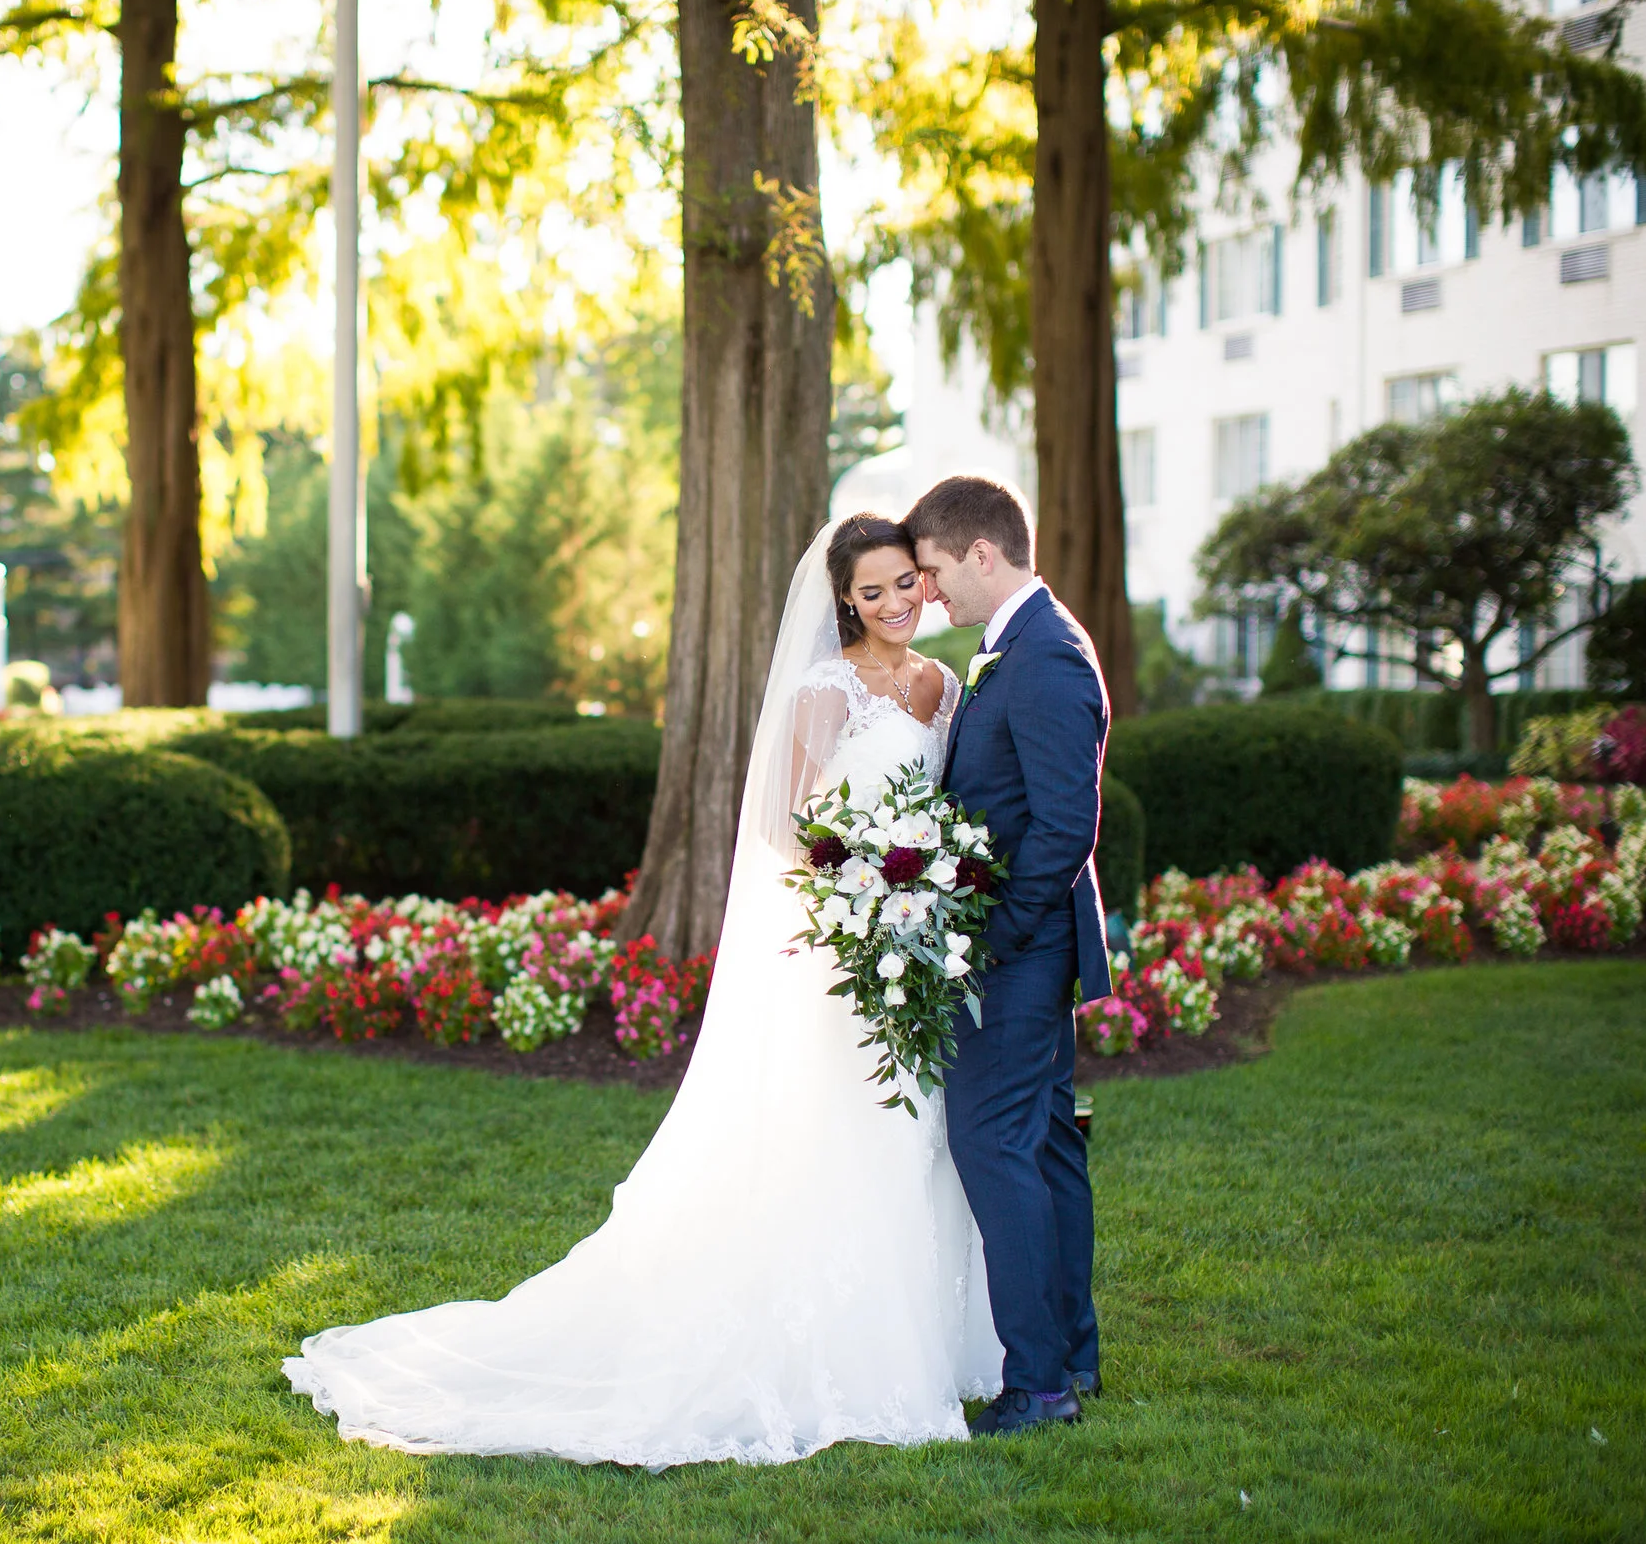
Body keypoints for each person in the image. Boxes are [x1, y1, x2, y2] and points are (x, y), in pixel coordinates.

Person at [282, 512, 1002, 1467]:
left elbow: (942, 805)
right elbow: (788, 832)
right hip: (847, 947)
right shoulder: (827, 689)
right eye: (871, 592)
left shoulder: (943, 688)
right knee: (840, 1134)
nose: (895, 604)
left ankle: (921, 1344)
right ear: (844, 602)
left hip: (914, 945)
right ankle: (822, 1349)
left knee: (916, 1136)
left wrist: (928, 886)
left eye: (906, 583)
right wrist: (870, 887)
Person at [905, 473, 1114, 1437]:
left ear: (982, 553)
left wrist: (992, 939)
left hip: (1017, 954)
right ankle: (1070, 1354)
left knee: (995, 1145)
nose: (933, 595)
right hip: (1023, 946)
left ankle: (1037, 1382)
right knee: (1045, 1144)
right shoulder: (1019, 646)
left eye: (939, 573)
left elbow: (1068, 824)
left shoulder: (1047, 657)